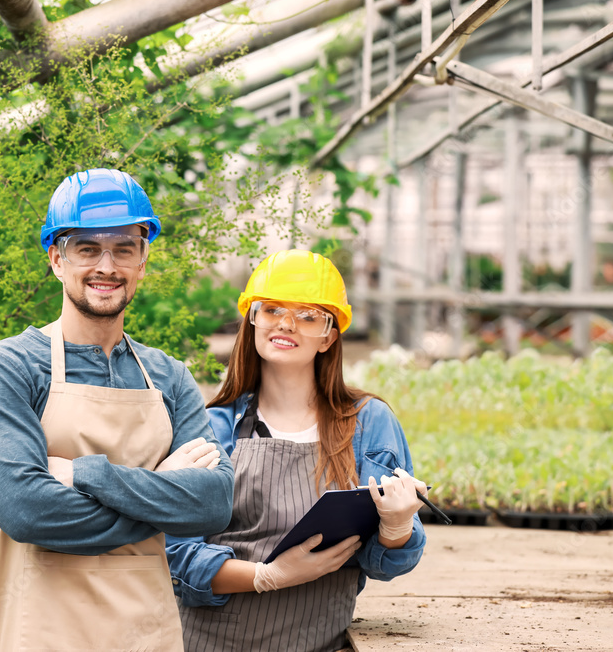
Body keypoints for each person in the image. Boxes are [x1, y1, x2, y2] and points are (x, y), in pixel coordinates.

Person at [0, 168, 234, 651]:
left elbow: (213, 503)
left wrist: (83, 475)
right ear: (55, 259)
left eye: (124, 248)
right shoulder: (4, 369)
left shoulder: (169, 377)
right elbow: (27, 513)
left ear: (143, 262)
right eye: (87, 248)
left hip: (146, 637)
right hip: (39, 636)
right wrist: (164, 491)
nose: (106, 265)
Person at [166, 249, 426, 652]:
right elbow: (176, 554)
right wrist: (267, 575)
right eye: (271, 310)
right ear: (251, 320)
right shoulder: (213, 425)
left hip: (319, 643)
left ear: (330, 335)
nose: (286, 324)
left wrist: (397, 526)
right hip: (210, 643)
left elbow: (389, 562)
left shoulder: (367, 423)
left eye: (308, 316)